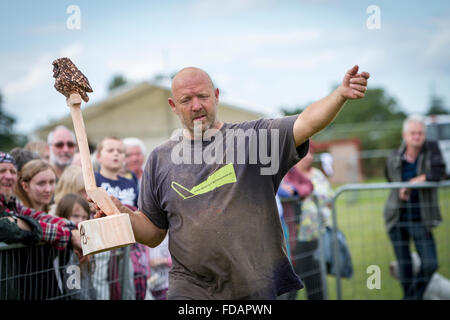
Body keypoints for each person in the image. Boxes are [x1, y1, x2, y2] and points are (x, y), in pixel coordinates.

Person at [92, 65, 370, 299]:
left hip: (252, 285)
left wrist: (339, 96)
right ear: (173, 106)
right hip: (189, 289)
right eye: (186, 100)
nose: (196, 106)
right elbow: (153, 233)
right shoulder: (159, 159)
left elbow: (306, 123)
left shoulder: (255, 140)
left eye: (202, 96)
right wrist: (123, 215)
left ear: (215, 96)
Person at [384, 115, 446, 300]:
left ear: (424, 135)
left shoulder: (432, 150)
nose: (417, 136)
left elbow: (438, 172)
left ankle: (411, 297)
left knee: (430, 264)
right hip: (396, 217)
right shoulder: (394, 156)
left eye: (420, 133)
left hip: (421, 217)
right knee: (405, 268)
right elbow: (389, 178)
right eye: (413, 133)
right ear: (404, 135)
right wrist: (401, 189)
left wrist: (411, 183)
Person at [95, 136, 148, 300]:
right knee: (101, 280)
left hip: (127, 240)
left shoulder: (130, 182)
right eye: (110, 151)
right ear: (98, 156)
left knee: (129, 279)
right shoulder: (95, 180)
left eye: (120, 151)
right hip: (103, 240)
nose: (116, 154)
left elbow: (138, 208)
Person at [286, 144, 334, 300]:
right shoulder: (288, 175)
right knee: (291, 283)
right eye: (305, 154)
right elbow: (290, 193)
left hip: (315, 236)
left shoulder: (317, 175)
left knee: (315, 281)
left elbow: (329, 198)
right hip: (295, 240)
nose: (309, 157)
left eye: (311, 153)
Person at [55, 193, 96, 299]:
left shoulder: (85, 244)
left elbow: (89, 283)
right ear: (63, 217)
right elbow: (73, 290)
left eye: (84, 217)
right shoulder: (67, 250)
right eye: (75, 216)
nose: (80, 221)